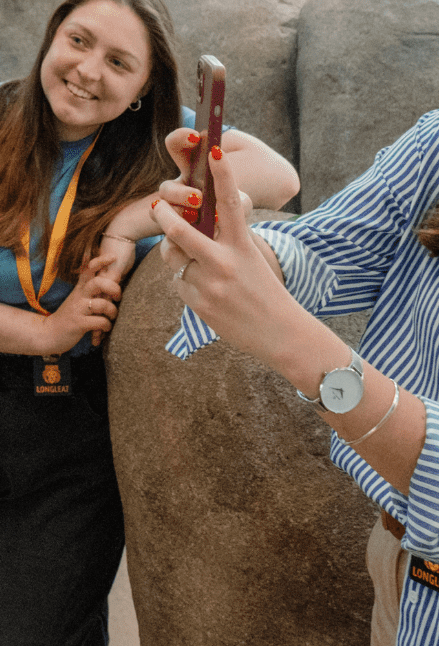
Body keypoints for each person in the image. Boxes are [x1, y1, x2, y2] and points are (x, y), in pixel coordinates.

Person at [0, 0, 300, 646]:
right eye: (79, 41)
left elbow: (278, 176)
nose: (87, 71)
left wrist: (132, 219)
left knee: (40, 631)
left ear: (142, 90)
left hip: (71, 419)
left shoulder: (160, 143)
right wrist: (47, 329)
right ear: (53, 36)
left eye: (118, 62)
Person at [159, 115, 439, 646]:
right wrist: (233, 248)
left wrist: (291, 339)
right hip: (399, 561)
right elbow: (326, 249)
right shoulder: (436, 141)